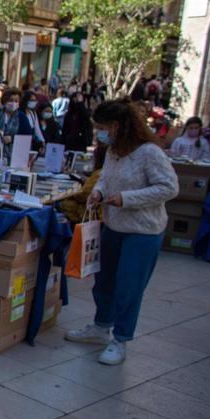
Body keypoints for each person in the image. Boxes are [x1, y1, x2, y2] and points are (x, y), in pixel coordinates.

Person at [65, 101, 178, 366]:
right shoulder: (113, 150)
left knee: (129, 286)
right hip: (113, 226)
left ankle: (121, 339)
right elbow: (105, 177)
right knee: (104, 282)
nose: (99, 134)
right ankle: (101, 326)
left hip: (143, 231)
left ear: (117, 126)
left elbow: (168, 188)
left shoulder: (149, 153)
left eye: (102, 128)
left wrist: (125, 198)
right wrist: (100, 192)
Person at [60, 144, 107, 224]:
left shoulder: (100, 173)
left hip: (91, 216)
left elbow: (83, 195)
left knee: (63, 203)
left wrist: (69, 194)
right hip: (101, 215)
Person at [0, 88, 24, 162]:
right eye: (10, 100)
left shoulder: (22, 117)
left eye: (16, 101)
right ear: (5, 101)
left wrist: (12, 138)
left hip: (15, 155)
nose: (13, 103)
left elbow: (26, 135)